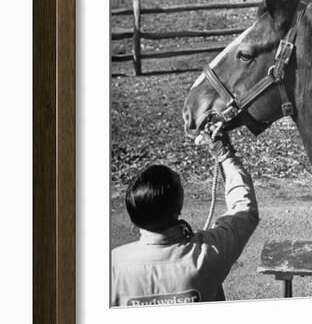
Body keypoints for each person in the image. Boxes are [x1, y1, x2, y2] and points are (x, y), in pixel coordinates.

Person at [111, 130, 259, 307]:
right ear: (179, 204)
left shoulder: (113, 265)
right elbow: (244, 208)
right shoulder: (209, 253)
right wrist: (224, 153)